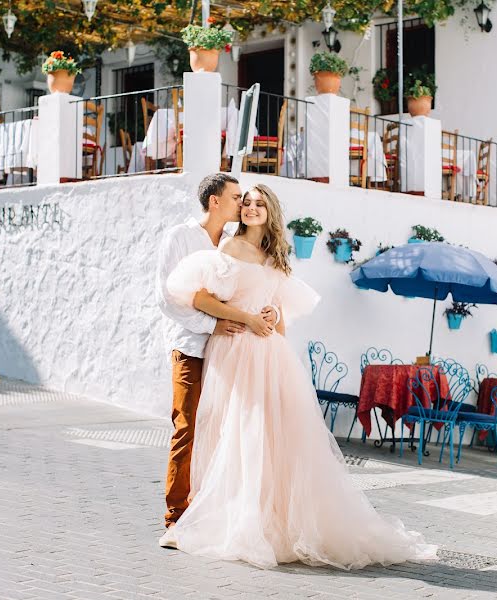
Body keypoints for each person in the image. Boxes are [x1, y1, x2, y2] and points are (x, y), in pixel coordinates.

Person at [160, 183, 436, 569]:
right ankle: (224, 518)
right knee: (236, 432)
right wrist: (246, 318)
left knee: (275, 437)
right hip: (235, 349)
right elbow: (199, 298)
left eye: (259, 203)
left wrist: (271, 317)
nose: (251, 208)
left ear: (271, 211)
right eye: (246, 203)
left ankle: (274, 519)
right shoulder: (227, 248)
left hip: (268, 353)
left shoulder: (276, 257)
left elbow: (280, 317)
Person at [155, 173, 279, 541]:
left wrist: (266, 311)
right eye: (237, 196)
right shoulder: (179, 237)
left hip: (228, 351)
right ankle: (176, 518)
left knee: (226, 431)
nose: (243, 203)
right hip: (190, 347)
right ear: (215, 201)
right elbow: (168, 297)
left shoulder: (231, 242)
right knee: (187, 429)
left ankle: (215, 511)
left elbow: (240, 293)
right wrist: (213, 326)